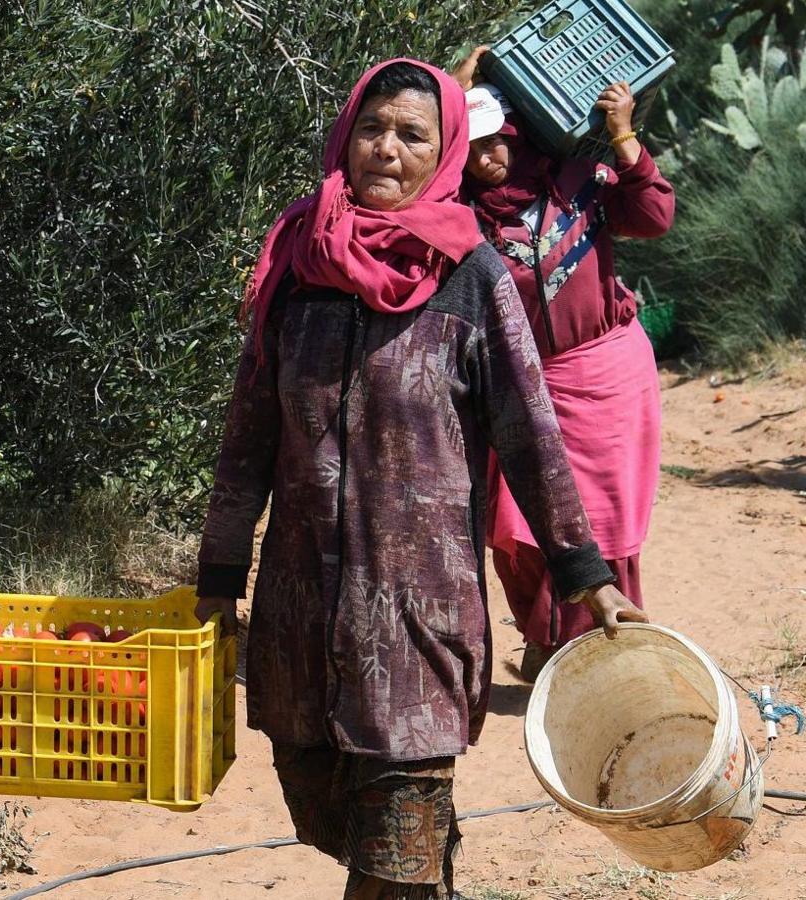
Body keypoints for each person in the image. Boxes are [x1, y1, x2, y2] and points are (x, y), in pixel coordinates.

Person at [193, 59, 648, 899]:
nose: (386, 151)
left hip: (417, 618)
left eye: (413, 135)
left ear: (445, 152)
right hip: (299, 617)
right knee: (329, 806)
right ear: (344, 138)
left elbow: (529, 433)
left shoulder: (473, 276)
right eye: (372, 130)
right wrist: (219, 579)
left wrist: (583, 571)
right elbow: (248, 437)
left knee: (390, 862)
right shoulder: (297, 264)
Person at [455, 47, 675, 681]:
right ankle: (548, 635)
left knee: (600, 520)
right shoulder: (461, 219)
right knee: (516, 524)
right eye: (470, 148)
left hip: (607, 373)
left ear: (519, 130)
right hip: (521, 384)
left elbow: (655, 216)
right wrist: (459, 86)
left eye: (496, 140)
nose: (487, 158)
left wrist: (624, 136)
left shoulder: (580, 183)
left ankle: (588, 657)